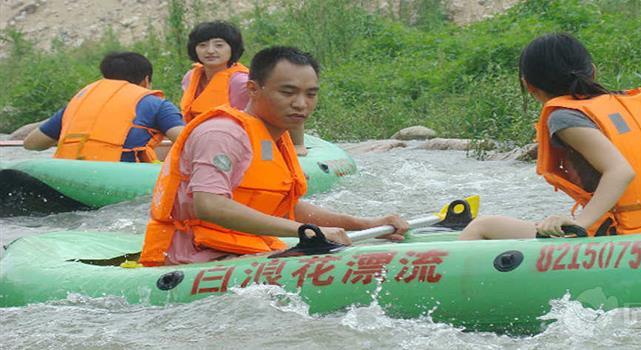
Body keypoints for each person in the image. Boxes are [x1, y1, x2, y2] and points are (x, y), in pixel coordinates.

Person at [140, 46, 408, 266]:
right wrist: (307, 233)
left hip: (241, 252)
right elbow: (209, 205)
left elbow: (284, 206)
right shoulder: (222, 134)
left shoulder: (274, 139)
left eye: (310, 94)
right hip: (188, 259)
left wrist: (362, 224)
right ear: (254, 89)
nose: (301, 104)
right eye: (287, 92)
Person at [460, 33, 641, 240]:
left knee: (483, 226)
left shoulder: (565, 117)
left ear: (528, 85)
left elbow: (621, 170)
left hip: (622, 236)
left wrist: (578, 224)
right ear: (593, 71)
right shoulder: (639, 108)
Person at [23, 52, 184, 162]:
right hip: (120, 176)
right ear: (146, 80)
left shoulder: (80, 102)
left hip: (68, 171)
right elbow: (187, 141)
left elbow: (31, 143)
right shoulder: (157, 104)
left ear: (106, 77)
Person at [181, 21, 308, 156]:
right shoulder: (191, 77)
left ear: (232, 48)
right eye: (202, 45)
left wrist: (297, 144)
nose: (210, 51)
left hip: (254, 143)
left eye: (219, 45)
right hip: (208, 143)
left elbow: (284, 107)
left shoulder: (241, 82)